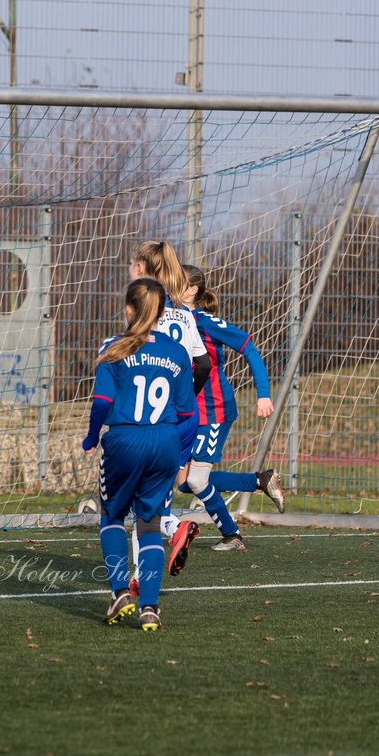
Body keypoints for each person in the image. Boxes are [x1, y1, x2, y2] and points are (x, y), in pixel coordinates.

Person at [83, 277, 198, 631]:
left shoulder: (114, 349)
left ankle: (120, 591)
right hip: (164, 441)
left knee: (112, 516)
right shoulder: (177, 353)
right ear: (162, 312)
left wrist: (91, 438)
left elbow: (102, 402)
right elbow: (188, 414)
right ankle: (150, 607)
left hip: (125, 441)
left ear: (129, 309)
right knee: (148, 524)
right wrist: (179, 455)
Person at [175, 264, 287, 550]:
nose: (168, 287)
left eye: (175, 282)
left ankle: (232, 535)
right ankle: (259, 481)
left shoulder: (204, 321)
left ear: (192, 290)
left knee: (197, 481)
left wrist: (263, 394)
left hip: (214, 409)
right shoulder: (170, 318)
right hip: (186, 411)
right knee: (184, 481)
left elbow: (249, 347)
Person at [127, 240, 211, 577]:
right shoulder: (184, 314)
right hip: (184, 416)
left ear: (144, 270)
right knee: (157, 495)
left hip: (154, 417)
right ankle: (167, 535)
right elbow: (202, 365)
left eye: (133, 265)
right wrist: (185, 397)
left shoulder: (149, 313)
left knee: (140, 503)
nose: (130, 270)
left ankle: (145, 568)